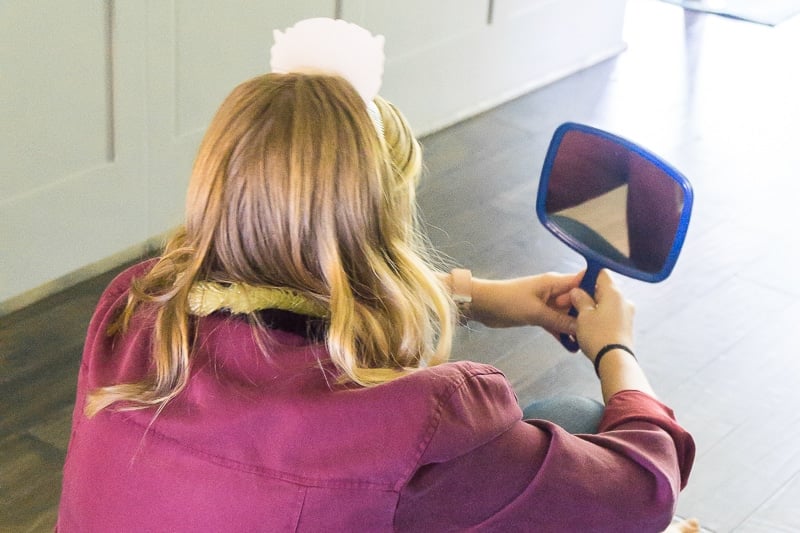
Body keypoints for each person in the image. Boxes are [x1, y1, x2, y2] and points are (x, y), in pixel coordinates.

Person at [57, 18, 695, 532]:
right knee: (577, 412)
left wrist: (477, 298)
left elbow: (278, 300)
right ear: (379, 227)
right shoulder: (422, 424)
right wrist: (615, 348)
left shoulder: (135, 310)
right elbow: (644, 490)